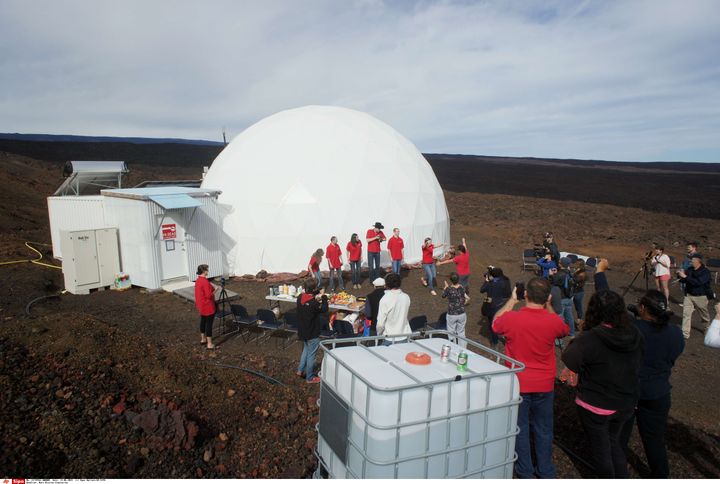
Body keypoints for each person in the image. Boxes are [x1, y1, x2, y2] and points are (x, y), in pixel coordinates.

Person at [561, 258, 644, 478]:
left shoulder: (591, 338)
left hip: (597, 405)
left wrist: (582, 332)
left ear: (594, 312)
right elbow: (608, 302)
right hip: (626, 402)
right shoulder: (633, 332)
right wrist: (599, 274)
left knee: (601, 451)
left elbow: (569, 359)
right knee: (615, 444)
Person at [492, 277, 569, 479]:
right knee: (543, 428)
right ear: (548, 297)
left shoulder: (512, 318)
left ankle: (525, 470)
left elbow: (495, 323)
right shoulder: (553, 321)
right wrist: (550, 306)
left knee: (521, 427)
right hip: (544, 384)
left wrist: (511, 301)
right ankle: (545, 470)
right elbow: (564, 330)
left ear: (525, 295)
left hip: (518, 383)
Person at [619, 290, 685, 478]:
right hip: (659, 391)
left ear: (644, 309)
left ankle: (616, 472)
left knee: (619, 437)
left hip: (630, 391)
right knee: (654, 440)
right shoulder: (675, 333)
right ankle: (661, 475)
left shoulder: (634, 330)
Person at [296, 278, 329, 384]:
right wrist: (324, 297)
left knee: (305, 350)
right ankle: (310, 377)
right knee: (311, 355)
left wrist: (315, 295)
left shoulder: (300, 298)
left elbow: (309, 300)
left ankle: (300, 370)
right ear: (314, 289)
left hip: (303, 330)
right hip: (312, 332)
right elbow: (324, 309)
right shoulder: (313, 303)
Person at [677, 253, 712, 340]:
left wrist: (685, 276)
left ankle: (707, 329)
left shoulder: (705, 272)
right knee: (686, 315)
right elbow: (684, 280)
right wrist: (679, 275)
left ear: (698, 261)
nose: (690, 262)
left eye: (692, 260)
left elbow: (698, 282)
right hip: (688, 295)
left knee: (704, 316)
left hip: (700, 296)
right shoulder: (690, 269)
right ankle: (685, 334)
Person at [480, 267, 511, 347]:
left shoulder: (491, 283)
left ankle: (494, 341)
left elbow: (482, 290)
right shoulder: (506, 281)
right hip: (503, 304)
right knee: (504, 322)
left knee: (492, 324)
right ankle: (506, 338)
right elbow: (508, 293)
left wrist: (486, 281)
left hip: (492, 306)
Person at [376, 272, 411, 345]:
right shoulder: (406, 297)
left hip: (390, 337)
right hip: (405, 335)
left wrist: (379, 334)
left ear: (386, 284)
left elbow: (380, 324)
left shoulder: (385, 299)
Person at [551, 257, 577, 336]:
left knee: (559, 318)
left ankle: (559, 336)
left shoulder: (559, 274)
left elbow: (554, 283)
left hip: (561, 298)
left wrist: (552, 275)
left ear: (561, 264)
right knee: (569, 316)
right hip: (569, 297)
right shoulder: (569, 273)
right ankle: (572, 332)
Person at [194, 264, 217, 349]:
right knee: (209, 324)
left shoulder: (198, 280)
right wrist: (216, 290)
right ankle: (209, 344)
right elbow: (209, 295)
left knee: (203, 321)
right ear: (204, 271)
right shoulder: (205, 281)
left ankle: (203, 339)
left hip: (201, 305)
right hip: (208, 305)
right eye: (207, 270)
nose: (208, 271)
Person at [442, 272, 467, 347]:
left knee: (451, 331)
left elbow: (443, 295)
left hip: (452, 313)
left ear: (451, 280)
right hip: (462, 313)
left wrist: (445, 287)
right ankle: (462, 347)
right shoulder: (462, 288)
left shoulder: (449, 289)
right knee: (461, 331)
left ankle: (452, 346)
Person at [571, 259, 587, 325]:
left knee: (578, 307)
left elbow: (576, 281)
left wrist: (572, 277)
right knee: (575, 307)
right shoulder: (578, 271)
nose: (574, 264)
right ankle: (579, 321)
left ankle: (580, 321)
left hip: (578, 292)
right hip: (576, 291)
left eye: (576, 263)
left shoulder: (582, 273)